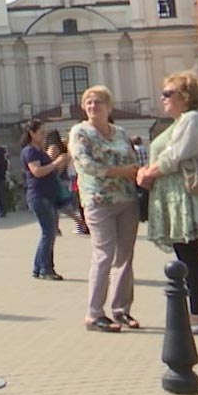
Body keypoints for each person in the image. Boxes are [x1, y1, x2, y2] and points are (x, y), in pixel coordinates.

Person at [138, 72, 198, 334]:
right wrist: (146, 170)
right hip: (174, 199)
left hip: (187, 199)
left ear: (185, 97)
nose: (162, 98)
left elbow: (175, 155)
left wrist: (150, 172)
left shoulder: (193, 119)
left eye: (168, 93)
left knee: (192, 256)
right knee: (185, 256)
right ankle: (193, 313)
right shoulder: (179, 123)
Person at [70, 86, 141, 332]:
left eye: (98, 101)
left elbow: (133, 159)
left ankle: (121, 310)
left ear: (109, 107)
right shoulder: (80, 132)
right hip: (98, 201)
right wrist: (118, 172)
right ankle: (94, 313)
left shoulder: (120, 133)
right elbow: (85, 163)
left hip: (127, 200)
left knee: (125, 256)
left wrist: (137, 174)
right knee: (103, 255)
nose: (93, 106)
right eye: (88, 102)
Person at [20, 120, 70, 281]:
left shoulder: (39, 151)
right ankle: (46, 268)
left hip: (48, 194)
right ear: (32, 133)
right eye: (41, 132)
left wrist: (61, 163)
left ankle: (38, 267)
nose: (43, 135)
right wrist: (55, 163)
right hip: (39, 195)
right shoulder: (30, 151)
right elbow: (37, 172)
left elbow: (51, 173)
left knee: (48, 233)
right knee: (48, 233)